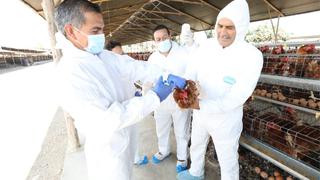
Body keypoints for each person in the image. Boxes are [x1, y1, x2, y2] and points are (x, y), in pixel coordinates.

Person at [54, 0, 185, 179]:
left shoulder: (99, 55)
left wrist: (164, 75)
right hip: (108, 152)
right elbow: (109, 119)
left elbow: (133, 67)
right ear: (70, 31)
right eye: (95, 31)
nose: (102, 35)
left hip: (125, 139)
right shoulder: (70, 73)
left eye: (102, 29)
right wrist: (153, 97)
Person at [177, 0, 263, 179]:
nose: (223, 32)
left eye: (230, 27)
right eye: (220, 26)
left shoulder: (251, 56)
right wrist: (190, 85)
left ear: (240, 28)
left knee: (227, 156)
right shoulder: (207, 46)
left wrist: (201, 106)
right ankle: (195, 172)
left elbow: (239, 95)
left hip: (226, 119)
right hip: (199, 111)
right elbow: (192, 69)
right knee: (197, 144)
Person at [147, 24, 191, 173]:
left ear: (170, 35)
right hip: (160, 100)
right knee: (161, 128)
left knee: (181, 129)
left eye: (164, 38)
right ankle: (163, 150)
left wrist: (182, 81)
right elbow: (149, 77)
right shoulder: (153, 57)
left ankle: (182, 157)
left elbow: (192, 74)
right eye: (158, 39)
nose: (161, 41)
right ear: (154, 41)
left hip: (180, 99)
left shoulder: (184, 53)